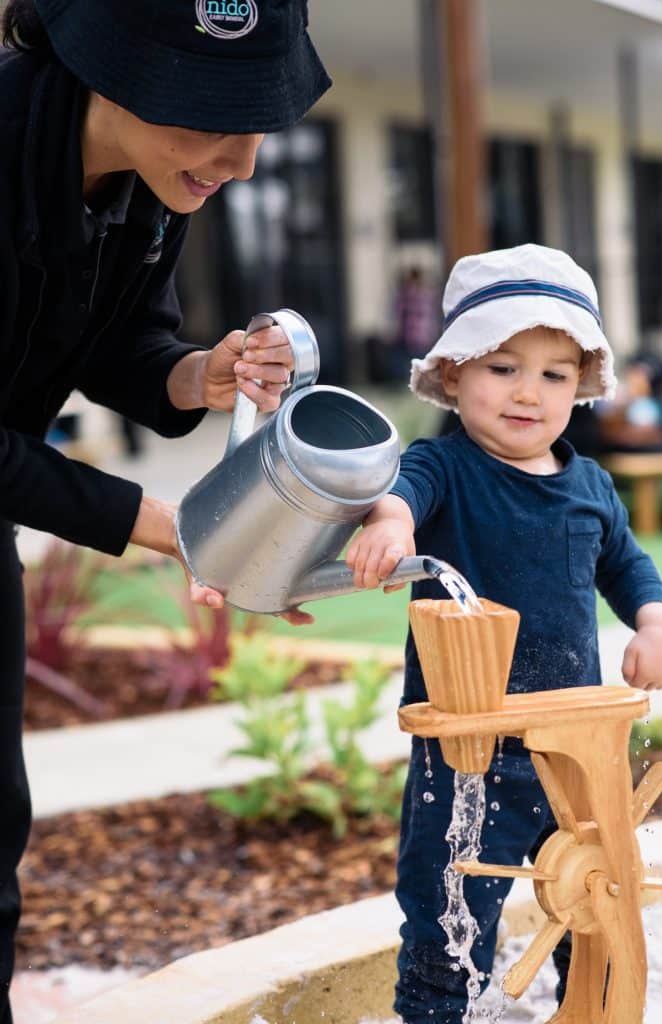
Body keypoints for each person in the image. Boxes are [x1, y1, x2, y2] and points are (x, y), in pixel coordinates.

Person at [0, 0, 330, 1017]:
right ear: (109, 63)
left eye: (252, 122)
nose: (235, 160)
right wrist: (163, 525)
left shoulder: (159, 171)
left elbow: (121, 346)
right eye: (206, 118)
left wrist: (200, 375)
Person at [346, 244, 662, 1024]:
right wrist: (389, 524)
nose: (527, 392)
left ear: (581, 388)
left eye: (553, 375)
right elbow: (400, 494)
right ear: (454, 374)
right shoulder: (445, 467)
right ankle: (434, 1011)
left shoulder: (590, 486)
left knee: (594, 897)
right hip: (469, 748)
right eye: (502, 367)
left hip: (575, 748)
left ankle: (596, 1007)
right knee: (448, 906)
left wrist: (658, 622)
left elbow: (628, 568)